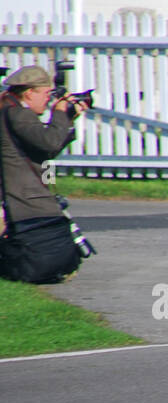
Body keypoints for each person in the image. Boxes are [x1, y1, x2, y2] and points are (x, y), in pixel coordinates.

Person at [0, 65, 89, 283]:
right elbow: (48, 143)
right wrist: (60, 113)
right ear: (29, 92)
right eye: (46, 94)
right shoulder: (18, 114)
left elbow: (41, 149)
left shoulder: (12, 109)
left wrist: (67, 119)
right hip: (18, 197)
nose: (48, 101)